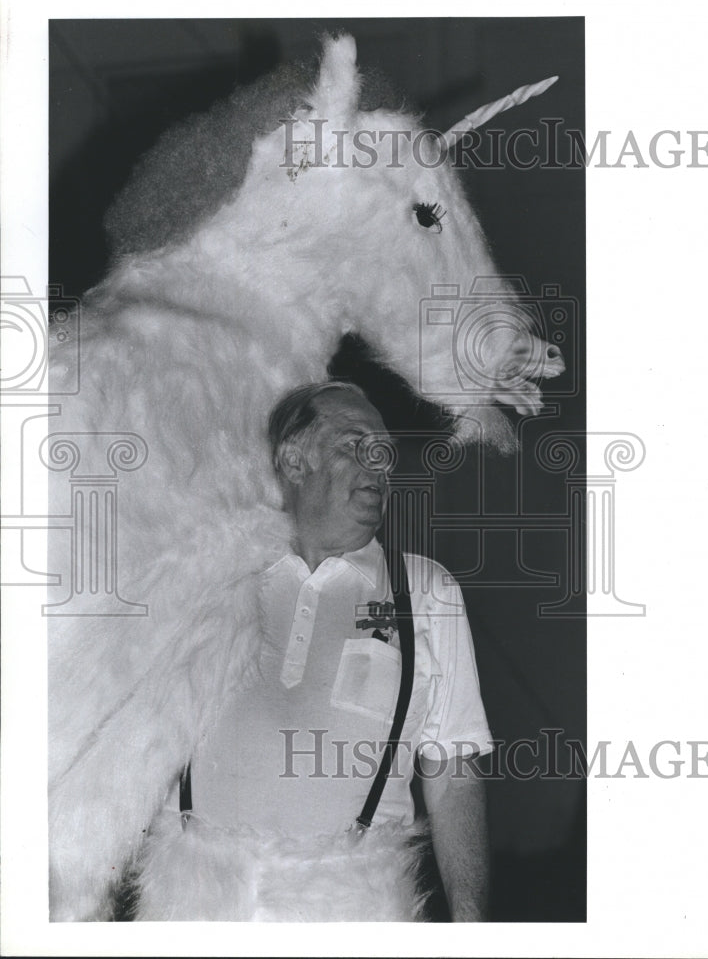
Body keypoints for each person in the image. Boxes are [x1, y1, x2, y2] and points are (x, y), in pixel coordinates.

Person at [135, 381, 493, 921]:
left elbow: (454, 774)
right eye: (356, 443)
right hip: (191, 907)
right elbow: (133, 749)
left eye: (385, 453)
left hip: (353, 913)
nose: (379, 464)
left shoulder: (425, 590)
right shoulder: (206, 579)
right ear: (294, 461)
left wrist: (475, 931)